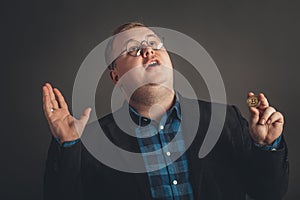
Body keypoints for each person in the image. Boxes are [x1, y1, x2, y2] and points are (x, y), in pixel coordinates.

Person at [42, 22, 289, 200]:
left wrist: (266, 147)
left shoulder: (226, 120)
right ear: (115, 75)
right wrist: (67, 147)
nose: (147, 51)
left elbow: (268, 193)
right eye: (132, 49)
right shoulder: (91, 141)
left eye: (153, 44)